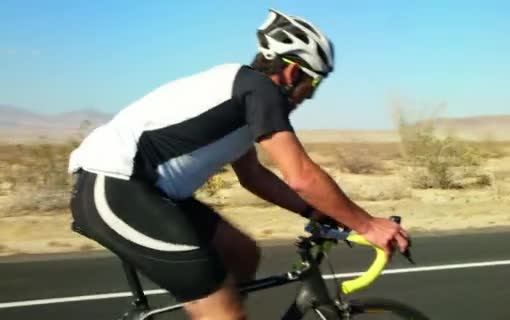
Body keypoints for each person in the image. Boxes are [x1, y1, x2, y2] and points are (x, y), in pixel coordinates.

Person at [68, 8, 410, 320]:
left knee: (242, 253)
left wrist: (322, 215)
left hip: (144, 191)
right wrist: (366, 225)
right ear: (292, 71)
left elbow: (254, 177)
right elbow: (301, 176)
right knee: (225, 313)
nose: (312, 95)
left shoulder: (243, 98)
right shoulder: (260, 91)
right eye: (315, 83)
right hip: (115, 186)